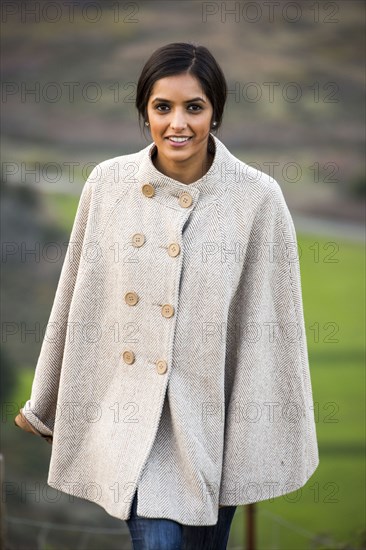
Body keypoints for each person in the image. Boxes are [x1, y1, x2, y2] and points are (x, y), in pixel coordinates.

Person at [14, 42, 319, 550]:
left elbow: (274, 326)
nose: (178, 123)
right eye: (163, 107)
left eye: (193, 107)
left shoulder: (258, 198)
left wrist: (257, 435)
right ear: (145, 112)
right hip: (135, 426)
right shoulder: (108, 185)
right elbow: (76, 298)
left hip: (210, 429)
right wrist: (46, 400)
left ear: (215, 112)